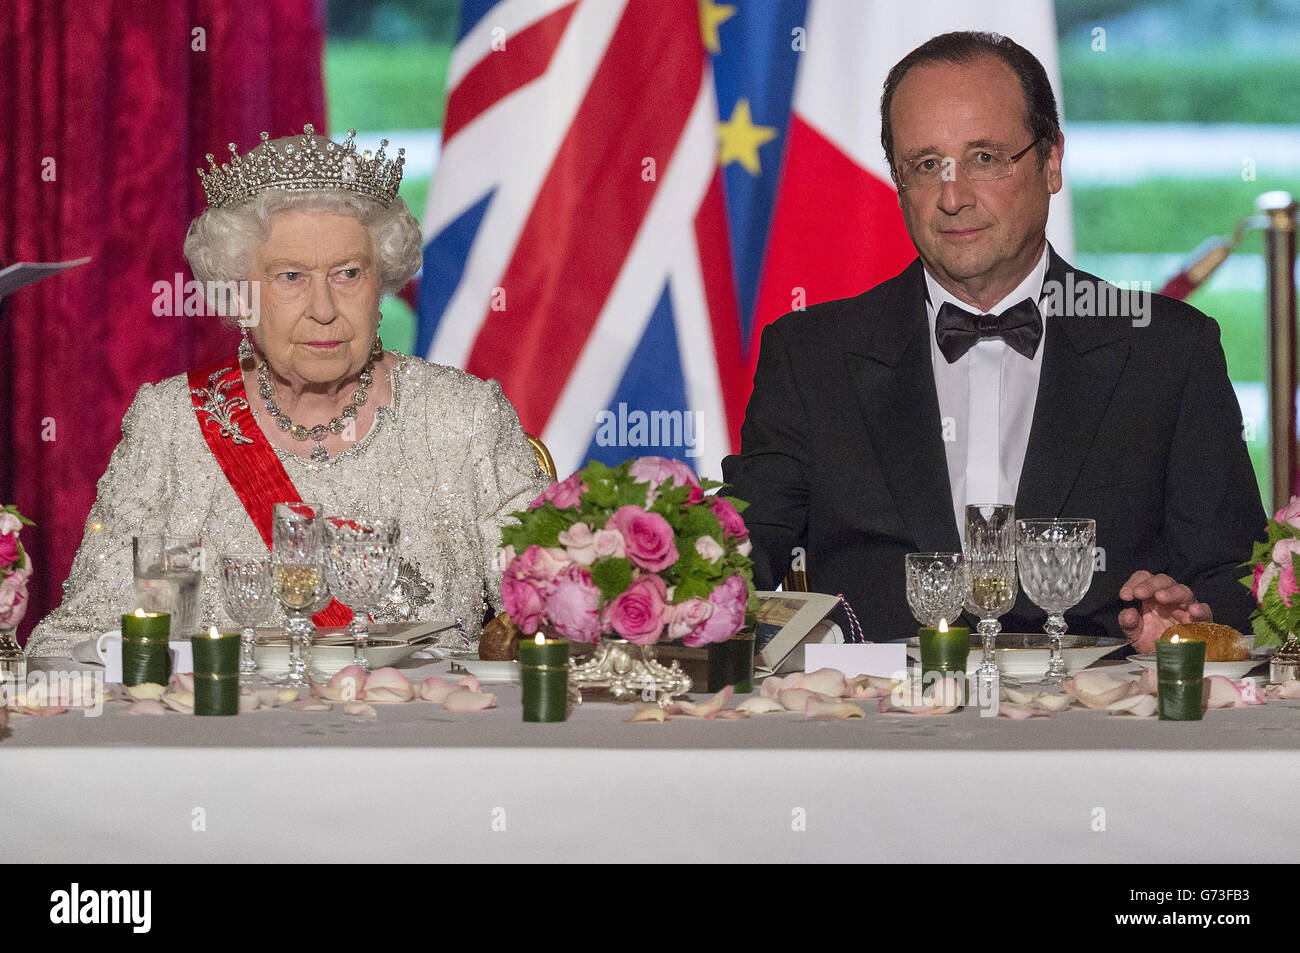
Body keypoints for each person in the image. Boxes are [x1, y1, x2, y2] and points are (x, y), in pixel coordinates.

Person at [722, 32, 1266, 652]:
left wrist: (1187, 616)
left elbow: (1236, 581)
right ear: (898, 180)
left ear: (1052, 162)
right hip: (871, 729)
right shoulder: (809, 355)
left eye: (984, 157)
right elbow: (739, 561)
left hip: (1096, 733)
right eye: (927, 165)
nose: (953, 197)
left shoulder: (1168, 350)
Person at [26, 125, 549, 657]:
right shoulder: (173, 425)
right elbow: (78, 639)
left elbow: (550, 607)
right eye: (291, 276)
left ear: (380, 282)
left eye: (348, 273)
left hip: (421, 730)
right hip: (221, 730)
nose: (324, 308)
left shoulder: (465, 417)